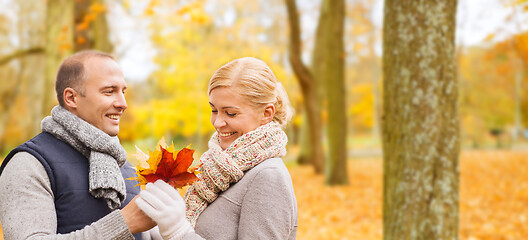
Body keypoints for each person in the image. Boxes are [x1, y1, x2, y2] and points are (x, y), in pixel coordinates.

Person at [136, 57, 298, 239]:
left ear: (266, 113)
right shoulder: (215, 171)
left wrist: (178, 232)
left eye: (231, 113)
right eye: (214, 110)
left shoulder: (268, 176)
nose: (218, 122)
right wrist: (153, 228)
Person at [0, 50, 156, 239]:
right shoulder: (29, 163)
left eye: (123, 92)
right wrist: (124, 223)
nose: (123, 103)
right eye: (109, 92)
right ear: (71, 98)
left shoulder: (125, 168)